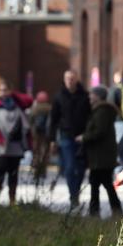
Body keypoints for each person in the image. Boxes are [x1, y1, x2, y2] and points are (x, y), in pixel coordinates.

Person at [78, 86, 123, 218]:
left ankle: (97, 211)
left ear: (98, 96)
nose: (89, 97)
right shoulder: (101, 110)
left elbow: (99, 131)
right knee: (101, 184)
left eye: (92, 94)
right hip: (101, 155)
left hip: (101, 156)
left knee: (99, 184)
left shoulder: (102, 111)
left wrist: (84, 137)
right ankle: (111, 210)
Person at [49, 70, 91, 209]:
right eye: (67, 78)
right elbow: (53, 119)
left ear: (76, 79)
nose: (69, 81)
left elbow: (90, 117)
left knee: (80, 168)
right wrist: (52, 140)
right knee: (69, 168)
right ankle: (73, 196)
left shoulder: (84, 96)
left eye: (72, 78)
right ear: (64, 79)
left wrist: (86, 134)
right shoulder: (59, 96)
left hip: (82, 137)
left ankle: (76, 193)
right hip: (66, 136)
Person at [0, 88, 28, 206]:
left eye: (6, 91)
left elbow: (29, 101)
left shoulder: (18, 106)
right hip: (1, 148)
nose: (4, 94)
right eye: (1, 91)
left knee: (13, 174)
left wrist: (13, 93)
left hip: (15, 147)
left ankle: (12, 200)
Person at [28, 90, 53, 188]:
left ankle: (36, 172)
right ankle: (43, 171)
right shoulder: (50, 108)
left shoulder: (35, 108)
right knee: (45, 153)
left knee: (36, 152)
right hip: (46, 135)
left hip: (36, 135)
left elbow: (30, 121)